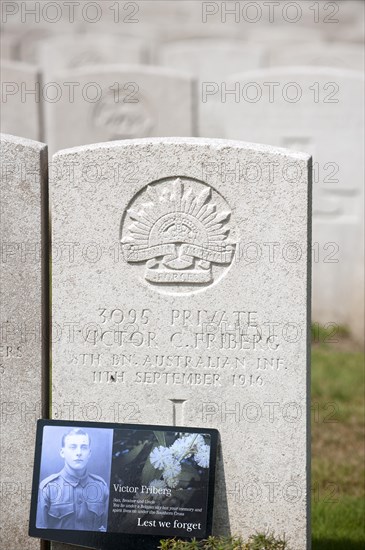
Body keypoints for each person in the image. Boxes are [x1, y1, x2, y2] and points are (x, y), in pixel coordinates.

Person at [36, 428, 109, 531]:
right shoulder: (47, 488)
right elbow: (40, 532)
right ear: (62, 452)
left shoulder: (101, 487)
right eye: (73, 447)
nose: (78, 452)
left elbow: (107, 530)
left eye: (83, 447)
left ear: (89, 453)